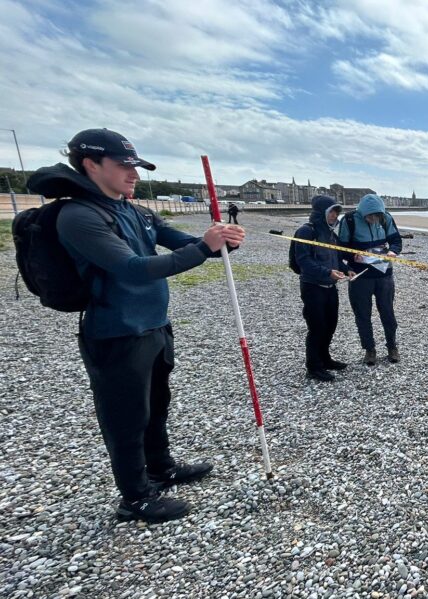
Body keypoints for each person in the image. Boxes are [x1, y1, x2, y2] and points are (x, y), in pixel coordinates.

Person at [26, 128, 245, 523]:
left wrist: (222, 241)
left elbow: (180, 241)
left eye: (136, 166)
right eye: (124, 166)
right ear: (91, 165)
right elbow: (135, 268)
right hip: (115, 331)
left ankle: (161, 467)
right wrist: (204, 246)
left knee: (157, 405)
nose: (135, 175)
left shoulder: (135, 209)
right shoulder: (79, 216)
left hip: (155, 326)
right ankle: (135, 497)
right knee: (125, 418)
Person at [337, 194, 403, 365]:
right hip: (360, 276)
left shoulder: (386, 218)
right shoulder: (349, 220)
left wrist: (393, 252)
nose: (373, 220)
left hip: (384, 275)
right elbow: (340, 248)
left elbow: (396, 240)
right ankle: (369, 349)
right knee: (362, 315)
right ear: (363, 213)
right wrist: (352, 255)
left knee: (388, 313)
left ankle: (392, 346)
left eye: (376, 217)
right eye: (370, 217)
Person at [294, 196, 354, 382]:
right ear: (322, 213)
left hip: (330, 288)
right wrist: (328, 272)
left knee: (330, 325)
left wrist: (347, 270)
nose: (335, 215)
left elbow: (335, 258)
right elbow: (303, 261)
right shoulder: (306, 232)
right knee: (317, 327)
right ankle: (313, 367)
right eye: (331, 211)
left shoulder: (330, 234)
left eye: (337, 212)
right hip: (312, 287)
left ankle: (325, 359)